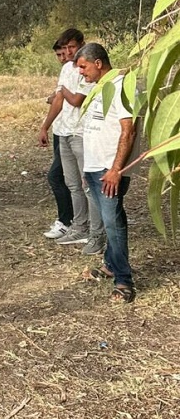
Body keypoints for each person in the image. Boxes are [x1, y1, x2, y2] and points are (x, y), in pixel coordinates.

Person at [76, 43, 138, 303]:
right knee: (111, 218)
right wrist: (87, 168)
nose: (81, 72)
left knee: (112, 222)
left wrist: (116, 169)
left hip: (109, 168)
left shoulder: (122, 85)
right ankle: (110, 264)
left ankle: (124, 281)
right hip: (94, 166)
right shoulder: (98, 89)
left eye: (83, 66)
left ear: (98, 63)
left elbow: (128, 130)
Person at [40, 29, 106, 254]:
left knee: (89, 186)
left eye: (71, 47)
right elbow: (59, 100)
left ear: (81, 44)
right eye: (65, 48)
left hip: (82, 132)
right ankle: (79, 225)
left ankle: (96, 232)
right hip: (65, 131)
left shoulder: (85, 69)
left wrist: (63, 92)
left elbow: (77, 99)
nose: (67, 52)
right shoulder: (67, 69)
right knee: (73, 184)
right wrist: (45, 126)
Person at [37, 41, 74, 239]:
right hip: (61, 129)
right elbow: (57, 97)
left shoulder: (74, 67)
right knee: (66, 177)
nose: (64, 57)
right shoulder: (68, 69)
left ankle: (67, 221)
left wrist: (44, 126)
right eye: (60, 54)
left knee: (57, 176)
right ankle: (71, 219)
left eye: (68, 51)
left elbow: (62, 98)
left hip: (71, 131)